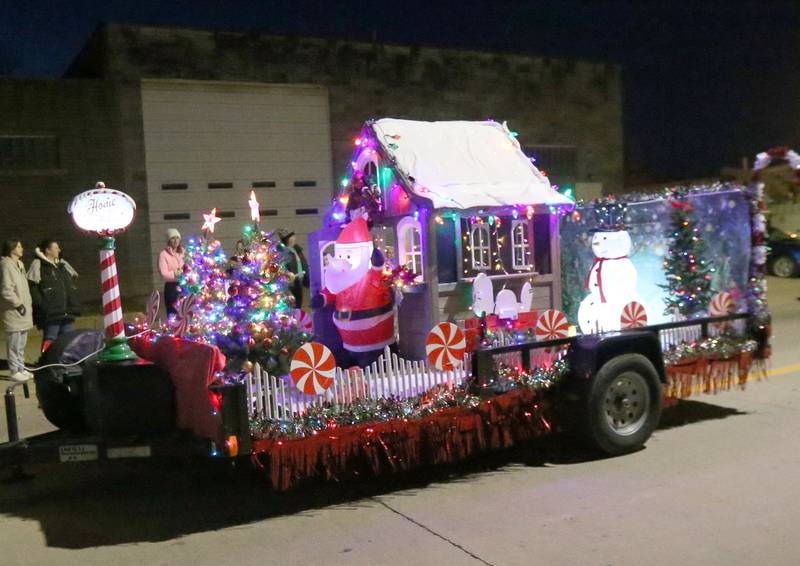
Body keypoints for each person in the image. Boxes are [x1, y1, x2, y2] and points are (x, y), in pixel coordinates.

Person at [27, 239, 80, 352]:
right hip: (51, 313)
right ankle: (46, 363)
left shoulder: (62, 265)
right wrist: (42, 305)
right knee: (50, 339)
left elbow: (71, 284)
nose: (59, 250)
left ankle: (67, 363)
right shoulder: (38, 265)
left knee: (69, 339)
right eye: (56, 248)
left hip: (67, 311)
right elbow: (33, 287)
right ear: (47, 250)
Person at [1, 239, 34, 381]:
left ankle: (21, 367)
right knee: (14, 342)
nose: (21, 248)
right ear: (11, 248)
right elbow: (6, 289)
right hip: (13, 311)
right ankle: (14, 370)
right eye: (18, 246)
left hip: (24, 310)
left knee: (22, 342)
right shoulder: (5, 265)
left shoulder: (20, 264)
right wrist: (18, 304)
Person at [278, 229, 309, 308]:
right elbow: (282, 266)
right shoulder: (284, 251)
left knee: (299, 302)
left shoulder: (297, 249)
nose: (294, 238)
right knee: (292, 304)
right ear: (288, 239)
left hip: (299, 279)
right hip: (291, 281)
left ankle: (298, 317)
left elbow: (303, 263)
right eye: (292, 236)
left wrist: (307, 277)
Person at [158, 228, 185, 316]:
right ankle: (173, 329)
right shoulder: (163, 254)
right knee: (173, 312)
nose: (176, 240)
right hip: (172, 288)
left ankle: (184, 329)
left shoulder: (183, 253)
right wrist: (175, 273)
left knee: (184, 311)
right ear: (169, 240)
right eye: (173, 238)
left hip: (184, 286)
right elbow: (163, 274)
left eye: (177, 238)